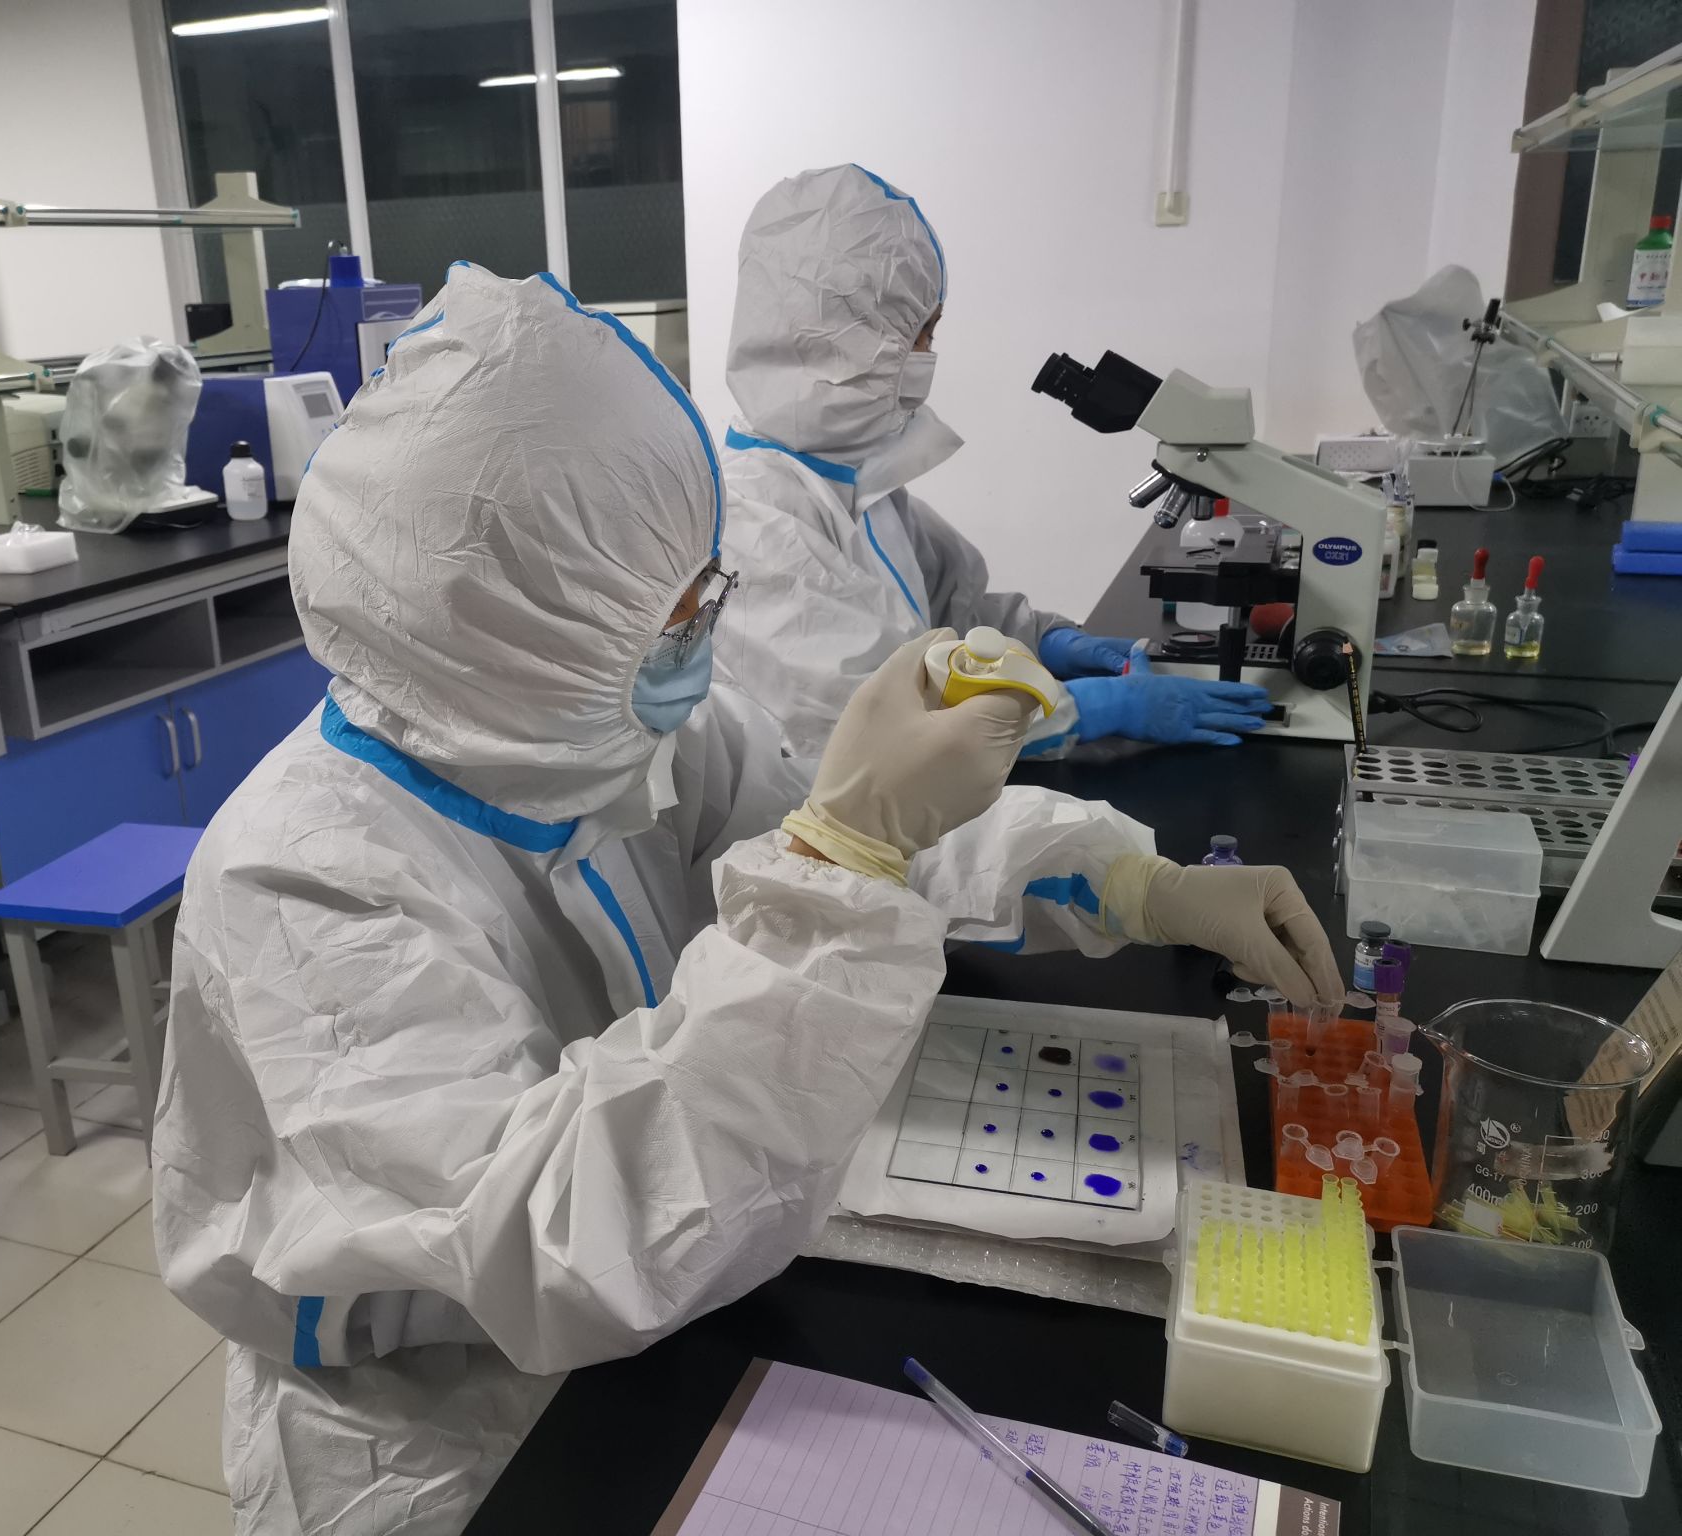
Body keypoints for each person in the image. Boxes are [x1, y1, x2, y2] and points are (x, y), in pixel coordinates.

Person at [152, 265, 1342, 1535]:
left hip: (667, 1308)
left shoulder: (606, 731)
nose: (703, 631)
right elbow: (555, 1236)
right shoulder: (307, 879)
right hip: (438, 1436)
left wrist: (1127, 878)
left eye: (703, 588)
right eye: (675, 611)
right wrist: (843, 860)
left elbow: (849, 839)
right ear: (513, 630)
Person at [715, 163, 1274, 761]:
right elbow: (889, 719)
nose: (928, 355)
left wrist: (1043, 641)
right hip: (835, 809)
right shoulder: (754, 527)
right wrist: (1085, 709)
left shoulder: (858, 485)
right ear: (841, 343)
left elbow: (952, 615)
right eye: (921, 334)